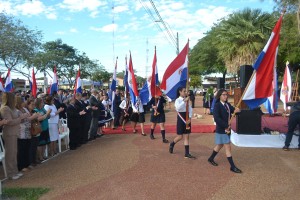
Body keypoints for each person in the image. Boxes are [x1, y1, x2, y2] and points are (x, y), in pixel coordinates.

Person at [207, 89, 242, 173]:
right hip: (222, 129)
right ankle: (232, 167)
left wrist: (238, 111)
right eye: (224, 94)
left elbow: (233, 111)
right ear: (219, 96)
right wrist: (226, 126)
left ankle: (211, 158)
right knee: (228, 147)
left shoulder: (227, 104)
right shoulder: (217, 105)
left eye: (226, 94)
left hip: (227, 129)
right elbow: (217, 119)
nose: (226, 96)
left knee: (220, 145)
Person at [0, 92, 27, 180]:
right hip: (9, 133)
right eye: (14, 98)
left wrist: (21, 116)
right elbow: (10, 122)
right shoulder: (5, 108)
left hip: (14, 132)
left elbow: (16, 118)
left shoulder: (12, 108)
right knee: (10, 154)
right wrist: (20, 118)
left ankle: (15, 171)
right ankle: (10, 173)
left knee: (14, 153)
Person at [169, 87, 195, 159]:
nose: (185, 92)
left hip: (187, 117)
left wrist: (190, 118)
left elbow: (190, 109)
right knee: (180, 136)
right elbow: (178, 108)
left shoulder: (187, 99)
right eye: (184, 91)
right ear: (180, 92)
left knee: (187, 136)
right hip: (181, 118)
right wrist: (184, 101)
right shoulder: (178, 100)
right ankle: (172, 143)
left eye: (186, 91)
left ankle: (186, 153)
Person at [15, 96, 39, 172]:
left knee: (27, 148)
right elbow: (22, 120)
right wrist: (32, 117)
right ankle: (21, 166)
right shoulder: (17, 111)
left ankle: (27, 164)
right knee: (22, 150)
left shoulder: (24, 109)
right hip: (21, 133)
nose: (23, 103)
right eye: (22, 101)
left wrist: (31, 117)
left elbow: (28, 117)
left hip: (28, 132)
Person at [34, 97, 51, 162]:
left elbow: (48, 116)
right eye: (42, 102)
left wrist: (48, 113)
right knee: (40, 143)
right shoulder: (36, 110)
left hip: (46, 127)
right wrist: (47, 113)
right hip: (40, 129)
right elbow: (40, 118)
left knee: (45, 142)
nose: (43, 103)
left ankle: (43, 155)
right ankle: (40, 156)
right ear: (39, 103)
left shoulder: (43, 109)